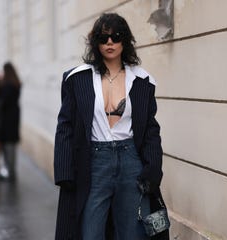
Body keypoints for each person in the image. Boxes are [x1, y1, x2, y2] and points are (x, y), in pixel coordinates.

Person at [54, 13, 169, 240]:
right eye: (103, 37)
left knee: (132, 233)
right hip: (94, 162)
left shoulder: (142, 81)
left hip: (130, 161)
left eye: (116, 37)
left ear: (124, 41)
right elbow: (65, 126)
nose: (109, 43)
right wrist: (64, 171)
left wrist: (153, 168)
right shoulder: (77, 78)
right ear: (95, 42)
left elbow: (150, 130)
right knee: (89, 231)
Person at [0, 62, 21, 181]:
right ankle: (11, 170)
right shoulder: (16, 83)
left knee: (8, 144)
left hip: (7, 118)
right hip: (14, 116)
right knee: (11, 143)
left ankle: (10, 170)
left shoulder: (7, 85)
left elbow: (3, 102)